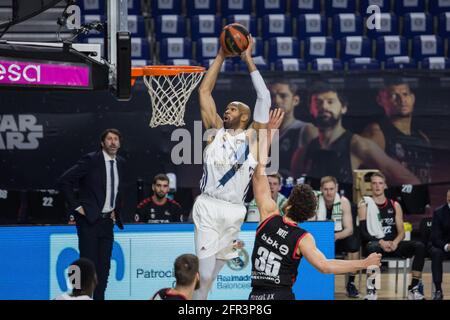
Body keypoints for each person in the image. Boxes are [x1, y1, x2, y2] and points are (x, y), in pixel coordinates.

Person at [248, 109, 381, 300]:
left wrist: (269, 133)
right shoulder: (302, 238)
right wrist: (364, 263)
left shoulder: (269, 216)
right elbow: (325, 266)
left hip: (255, 298)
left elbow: (258, 171)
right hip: (281, 295)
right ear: (310, 215)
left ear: (288, 204)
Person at [192, 36, 271, 300]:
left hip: (236, 210)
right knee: (204, 273)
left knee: (209, 278)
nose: (226, 111)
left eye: (233, 108)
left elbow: (264, 96)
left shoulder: (253, 137)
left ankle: (197, 300)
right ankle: (198, 295)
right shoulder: (214, 132)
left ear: (245, 116)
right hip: (208, 206)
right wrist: (221, 56)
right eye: (226, 108)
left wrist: (248, 59)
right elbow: (204, 92)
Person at [291, 83, 421, 186]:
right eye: (318, 102)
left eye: (330, 102)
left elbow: (410, 180)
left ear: (343, 108)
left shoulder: (359, 145)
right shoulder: (303, 152)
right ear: (311, 109)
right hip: (315, 218)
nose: (324, 107)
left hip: (347, 216)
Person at [58, 128, 125, 300]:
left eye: (116, 139)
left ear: (120, 143)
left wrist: (115, 211)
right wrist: (76, 206)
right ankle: (80, 297)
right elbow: (64, 180)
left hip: (107, 223)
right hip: (89, 222)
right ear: (102, 143)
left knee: (104, 268)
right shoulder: (91, 160)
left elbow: (119, 190)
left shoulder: (121, 163)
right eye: (109, 139)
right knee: (87, 266)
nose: (113, 142)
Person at [358, 172, 426, 300]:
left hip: (394, 245)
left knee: (420, 246)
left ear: (385, 186)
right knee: (372, 248)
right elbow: (363, 232)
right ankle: (372, 290)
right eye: (374, 183)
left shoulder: (395, 205)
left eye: (380, 183)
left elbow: (401, 232)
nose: (377, 186)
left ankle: (414, 288)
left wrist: (395, 242)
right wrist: (380, 241)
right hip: (375, 244)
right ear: (370, 186)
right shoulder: (365, 205)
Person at [362, 80, 432, 184]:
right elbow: (364, 178)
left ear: (412, 98)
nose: (402, 100)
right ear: (380, 100)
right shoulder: (377, 133)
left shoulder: (422, 138)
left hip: (418, 197)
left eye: (405, 94)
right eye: (394, 95)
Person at [312, 176, 361, 298]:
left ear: (337, 188)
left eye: (331, 189)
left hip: (338, 237)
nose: (329, 192)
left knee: (353, 245)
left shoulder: (344, 203)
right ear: (321, 190)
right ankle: (315, 283)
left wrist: (335, 236)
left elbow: (349, 229)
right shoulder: (315, 201)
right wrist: (323, 236)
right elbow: (310, 224)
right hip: (319, 238)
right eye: (326, 189)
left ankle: (350, 283)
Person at [268, 80, 317, 177]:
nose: (276, 100)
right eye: (272, 96)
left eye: (283, 96)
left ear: (295, 100)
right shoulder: (258, 130)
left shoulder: (306, 130)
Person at [430, 189, 450, 300]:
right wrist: (447, 246)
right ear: (447, 198)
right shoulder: (439, 212)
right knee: (436, 253)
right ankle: (438, 290)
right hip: (442, 246)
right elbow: (435, 237)